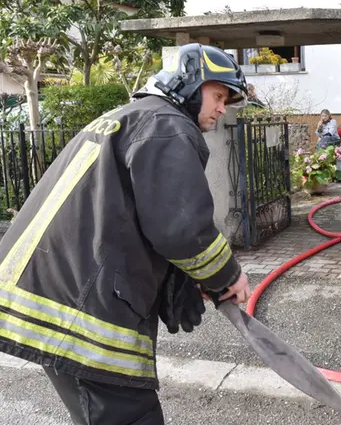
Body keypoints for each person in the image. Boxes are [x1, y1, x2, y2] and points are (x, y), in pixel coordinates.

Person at [0, 43, 253, 424]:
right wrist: (226, 277)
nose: (221, 109)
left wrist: (183, 275)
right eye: (218, 95)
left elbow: (129, 213)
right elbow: (182, 228)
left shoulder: (130, 116)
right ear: (187, 84)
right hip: (80, 315)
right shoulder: (167, 126)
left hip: (58, 292)